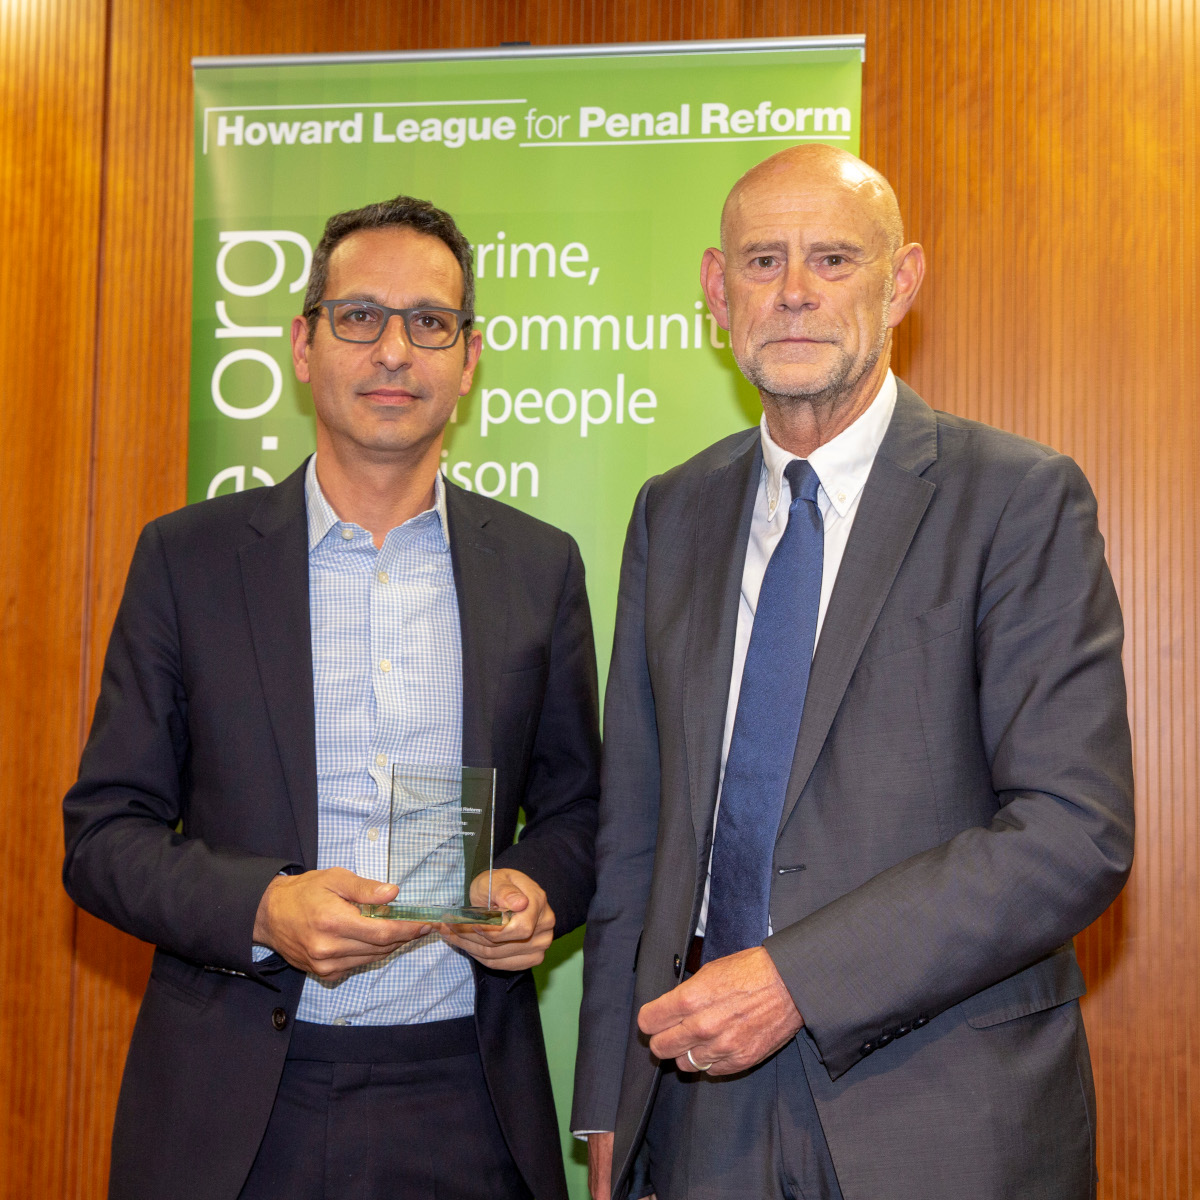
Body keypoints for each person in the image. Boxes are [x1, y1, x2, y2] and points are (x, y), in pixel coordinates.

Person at [572, 145, 1134, 1200]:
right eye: (762, 261)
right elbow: (634, 838)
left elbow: (1074, 830)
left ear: (902, 281)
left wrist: (800, 979)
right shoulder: (672, 510)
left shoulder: (1017, 500)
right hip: (694, 1111)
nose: (793, 293)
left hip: (941, 1113)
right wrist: (608, 1101)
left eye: (833, 258)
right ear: (713, 288)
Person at [63, 195, 600, 1200]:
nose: (394, 350)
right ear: (305, 347)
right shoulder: (189, 561)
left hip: (468, 1095)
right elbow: (102, 838)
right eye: (359, 317)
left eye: (429, 323)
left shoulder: (540, 567)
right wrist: (263, 907)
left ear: (468, 358)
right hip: (241, 1101)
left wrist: (536, 892)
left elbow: (577, 813)